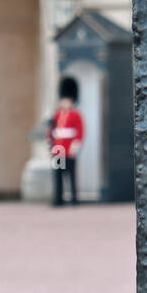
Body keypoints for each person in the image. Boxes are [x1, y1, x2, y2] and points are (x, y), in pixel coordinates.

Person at [47, 76, 84, 206]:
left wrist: (75, 146)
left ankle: (74, 199)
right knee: (58, 176)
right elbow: (52, 130)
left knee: (71, 176)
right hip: (58, 150)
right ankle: (58, 199)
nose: (64, 102)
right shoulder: (57, 114)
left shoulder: (75, 114)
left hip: (69, 149)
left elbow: (79, 131)